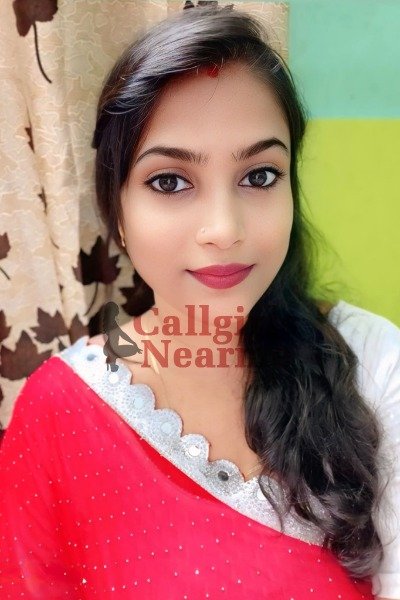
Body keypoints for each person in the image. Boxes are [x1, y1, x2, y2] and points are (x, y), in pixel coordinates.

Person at [0, 5, 399, 599]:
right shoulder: (57, 413)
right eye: (170, 181)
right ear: (119, 212)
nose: (223, 229)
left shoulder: (372, 364)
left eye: (259, 176)